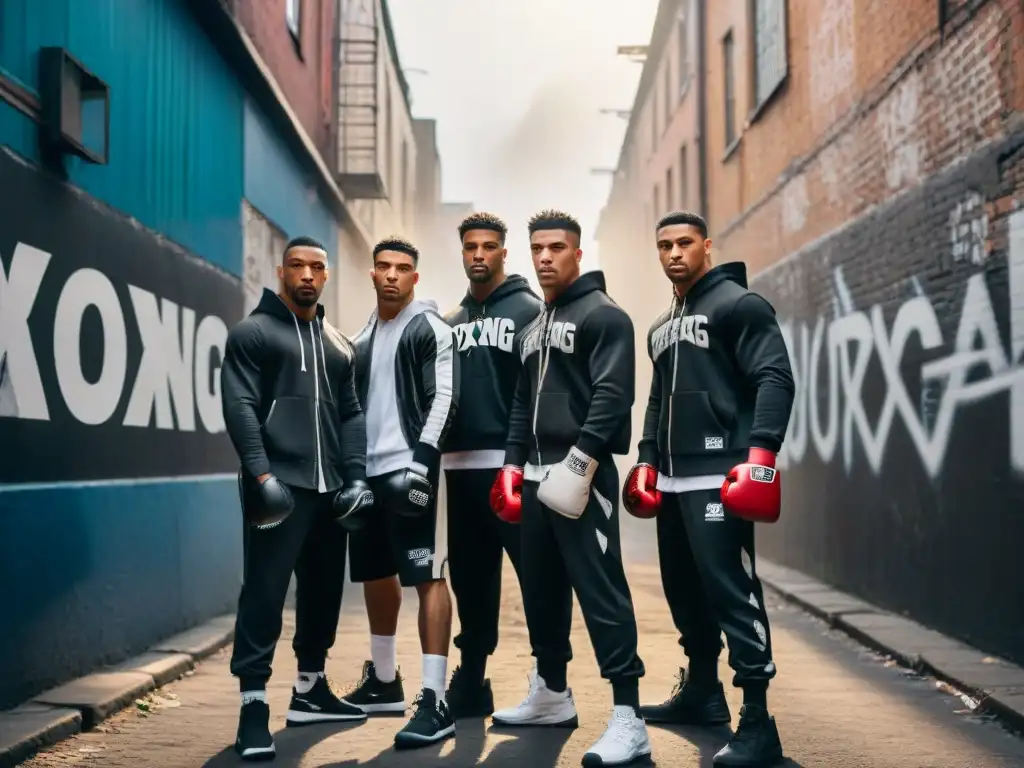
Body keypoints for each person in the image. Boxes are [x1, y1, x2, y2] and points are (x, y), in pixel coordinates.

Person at [623, 211, 794, 767]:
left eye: (685, 243)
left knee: (730, 593)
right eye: (664, 245)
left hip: (721, 477)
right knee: (683, 593)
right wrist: (647, 459)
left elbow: (774, 377)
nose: (674, 253)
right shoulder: (660, 326)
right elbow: (656, 400)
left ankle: (759, 722)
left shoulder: (739, 306)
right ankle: (702, 689)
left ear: (707, 246)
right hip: (672, 481)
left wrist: (761, 455)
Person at [489, 210, 652, 766]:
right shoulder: (534, 326)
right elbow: (518, 404)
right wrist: (512, 466)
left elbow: (613, 395)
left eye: (556, 247)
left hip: (583, 477)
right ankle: (552, 694)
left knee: (602, 594)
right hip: (534, 478)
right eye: (536, 248)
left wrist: (580, 462)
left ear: (578, 254)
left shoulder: (604, 316)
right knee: (541, 594)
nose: (544, 257)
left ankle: (629, 719)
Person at [221, 236, 375, 762]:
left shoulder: (338, 344)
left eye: (316, 267)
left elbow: (351, 415)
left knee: (323, 592)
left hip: (329, 489)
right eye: (297, 266)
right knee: (264, 593)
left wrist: (355, 477)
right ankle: (253, 707)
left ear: (326, 276)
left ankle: (310, 689)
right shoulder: (254, 333)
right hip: (278, 486)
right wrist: (261, 476)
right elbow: (239, 404)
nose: (307, 274)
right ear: (280, 270)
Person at [342, 236, 460, 749]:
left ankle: (435, 701)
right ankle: (386, 680)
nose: (392, 274)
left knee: (427, 576)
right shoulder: (362, 335)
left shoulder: (429, 327)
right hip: (366, 474)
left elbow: (445, 396)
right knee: (374, 572)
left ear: (416, 277)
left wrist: (423, 464)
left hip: (410, 470)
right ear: (372, 274)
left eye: (403, 268)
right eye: (384, 267)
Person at [440, 212, 542, 718]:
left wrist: (525, 460)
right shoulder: (450, 322)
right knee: (470, 579)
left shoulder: (529, 312)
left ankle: (551, 680)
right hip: (458, 471)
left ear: (505, 252)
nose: (478, 254)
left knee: (537, 576)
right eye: (470, 247)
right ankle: (473, 679)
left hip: (512, 470)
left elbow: (541, 395)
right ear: (461, 253)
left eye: (489, 246)